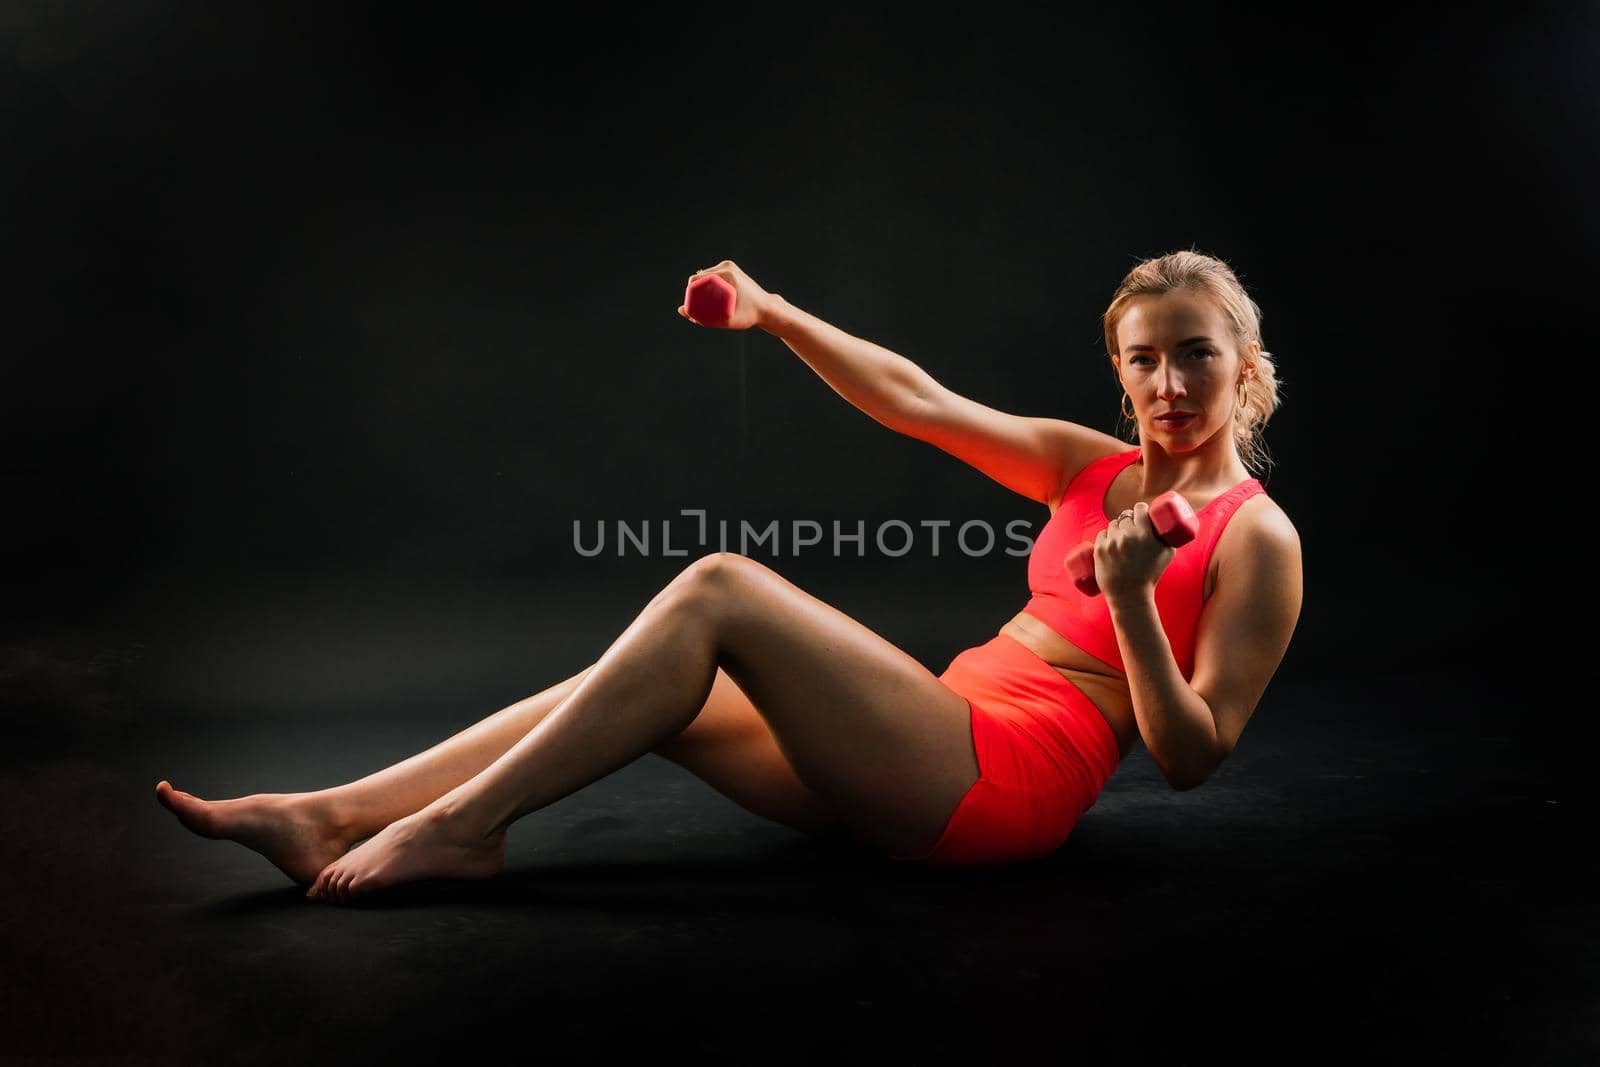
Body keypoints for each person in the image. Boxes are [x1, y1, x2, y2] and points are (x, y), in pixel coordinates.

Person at [155, 250, 1303, 902]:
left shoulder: (1256, 538)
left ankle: (465, 823)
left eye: (1194, 353)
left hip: (1002, 786)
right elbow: (918, 399)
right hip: (939, 727)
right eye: (1142, 357)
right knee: (659, 680)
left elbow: (1193, 757)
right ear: (1119, 367)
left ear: (1241, 364)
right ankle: (330, 812)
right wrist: (771, 312)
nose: (1167, 382)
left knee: (718, 585)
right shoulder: (1084, 466)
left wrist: (1134, 606)